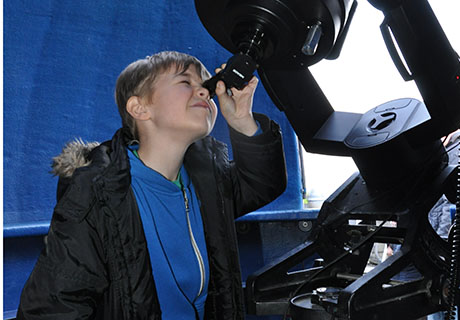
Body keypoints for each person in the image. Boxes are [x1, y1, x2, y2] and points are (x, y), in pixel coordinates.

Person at [17, 51, 287, 319]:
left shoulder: (207, 180)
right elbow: (53, 309)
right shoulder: (97, 195)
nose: (205, 92)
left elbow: (262, 184)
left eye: (205, 85)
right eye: (185, 82)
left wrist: (242, 121)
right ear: (139, 108)